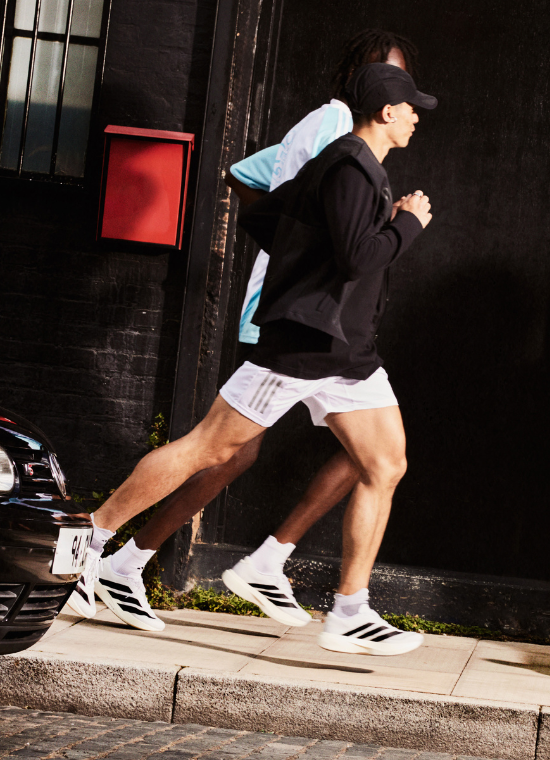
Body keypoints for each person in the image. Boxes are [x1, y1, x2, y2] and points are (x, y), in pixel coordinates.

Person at [71, 62, 436, 657]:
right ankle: (88, 541)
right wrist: (406, 226)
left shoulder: (352, 167)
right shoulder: (349, 165)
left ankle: (349, 610)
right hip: (305, 345)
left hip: (347, 349)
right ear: (386, 111)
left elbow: (265, 216)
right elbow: (357, 258)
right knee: (211, 448)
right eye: (411, 108)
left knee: (385, 463)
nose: (417, 118)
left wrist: (310, 257)